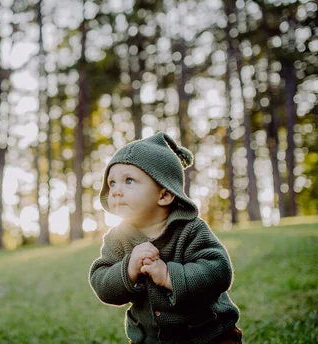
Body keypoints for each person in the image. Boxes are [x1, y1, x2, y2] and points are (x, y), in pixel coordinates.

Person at [88, 132, 242, 344]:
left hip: (209, 335)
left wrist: (170, 275)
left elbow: (219, 270)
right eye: (112, 183)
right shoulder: (118, 238)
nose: (115, 191)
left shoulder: (190, 229)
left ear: (164, 195)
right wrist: (129, 268)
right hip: (150, 339)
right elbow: (102, 282)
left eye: (129, 181)